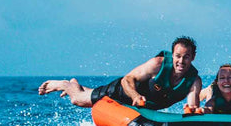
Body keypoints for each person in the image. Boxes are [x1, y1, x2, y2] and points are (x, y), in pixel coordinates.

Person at [38, 36, 202, 110]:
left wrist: (192, 109)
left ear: (193, 57)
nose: (181, 61)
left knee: (91, 93)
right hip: (122, 92)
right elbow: (127, 79)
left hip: (145, 107)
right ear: (172, 55)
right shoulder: (157, 65)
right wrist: (135, 96)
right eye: (178, 56)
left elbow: (193, 105)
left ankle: (75, 85)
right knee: (78, 100)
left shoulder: (194, 81)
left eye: (186, 57)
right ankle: (64, 85)